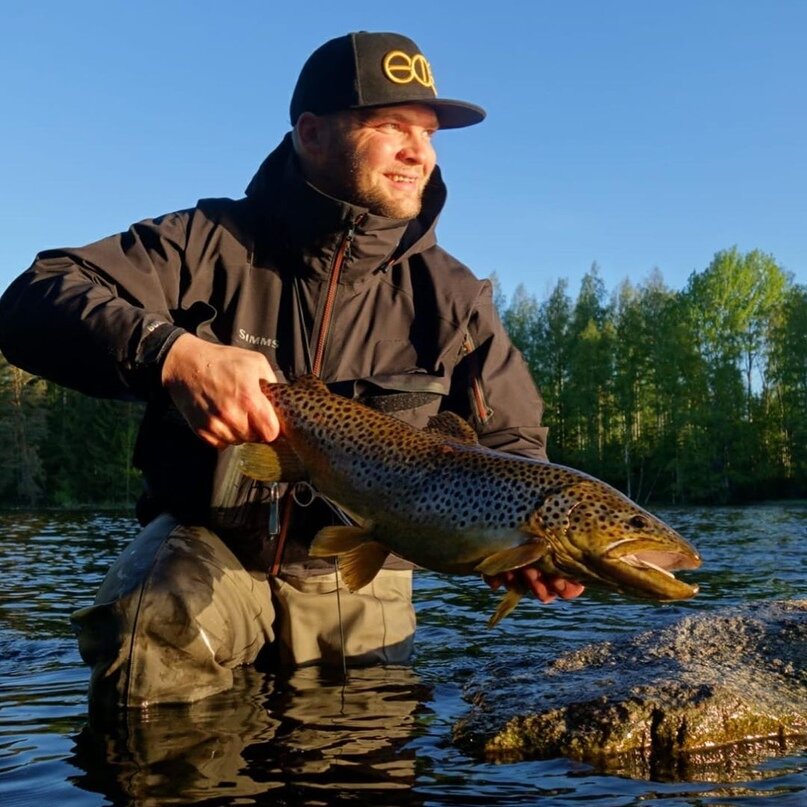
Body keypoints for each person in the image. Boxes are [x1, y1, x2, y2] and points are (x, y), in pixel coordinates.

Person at [0, 31, 583, 710]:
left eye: (426, 133)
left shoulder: (453, 299)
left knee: (359, 752)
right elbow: (33, 299)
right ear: (311, 133)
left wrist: (522, 547)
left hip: (359, 574)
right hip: (203, 545)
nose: (418, 152)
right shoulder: (205, 242)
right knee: (149, 631)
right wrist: (173, 354)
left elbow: (514, 448)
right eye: (390, 126)